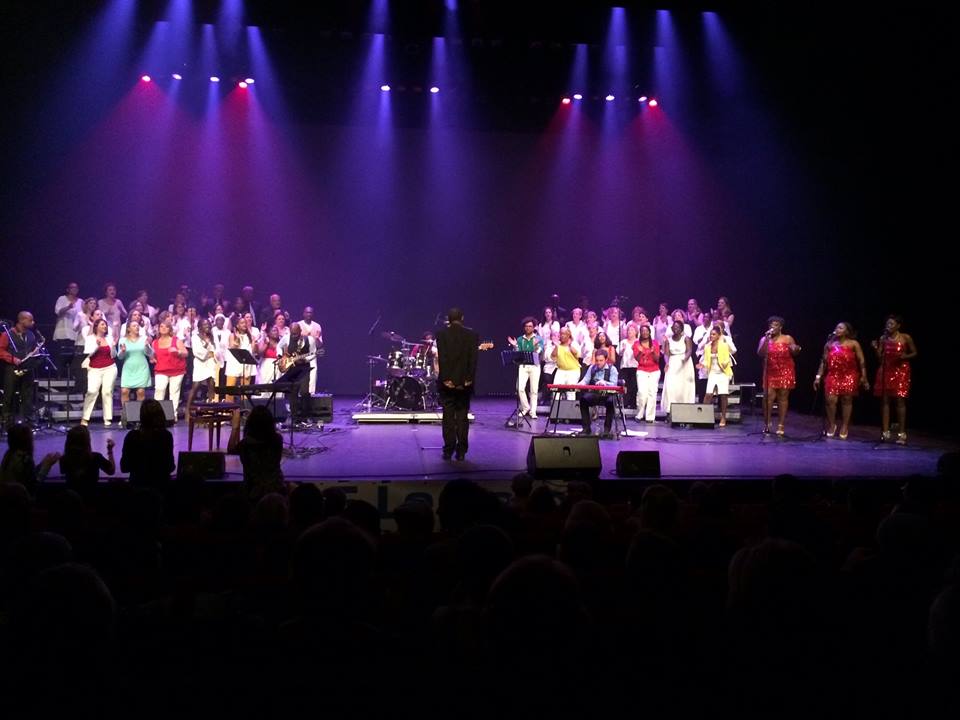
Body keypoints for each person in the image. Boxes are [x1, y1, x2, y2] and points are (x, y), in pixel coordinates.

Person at [435, 308, 479, 461]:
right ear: (462, 318)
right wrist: (468, 379)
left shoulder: (441, 334)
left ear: (448, 319)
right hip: (464, 383)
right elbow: (473, 360)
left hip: (448, 382)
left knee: (448, 417)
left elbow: (443, 358)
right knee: (462, 416)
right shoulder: (472, 335)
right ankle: (461, 451)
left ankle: (448, 450)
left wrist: (446, 378)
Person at [813, 321, 869, 440]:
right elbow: (823, 362)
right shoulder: (829, 344)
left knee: (846, 400)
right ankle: (832, 424)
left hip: (849, 375)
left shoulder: (854, 344)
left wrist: (864, 376)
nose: (837, 329)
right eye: (837, 327)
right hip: (833, 375)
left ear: (847, 331)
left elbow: (861, 360)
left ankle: (844, 426)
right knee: (830, 400)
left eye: (840, 328)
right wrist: (818, 377)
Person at [871, 314, 917, 444]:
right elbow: (880, 358)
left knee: (899, 401)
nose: (888, 326)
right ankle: (885, 432)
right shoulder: (883, 338)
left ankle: (902, 433)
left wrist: (905, 356)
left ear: (898, 326)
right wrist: (875, 349)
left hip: (901, 371)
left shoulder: (905, 337)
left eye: (891, 324)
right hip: (885, 370)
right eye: (887, 324)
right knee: (885, 401)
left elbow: (915, 352)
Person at [227, 404, 285, 501]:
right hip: (276, 489)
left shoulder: (246, 444)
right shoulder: (277, 440)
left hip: (253, 492)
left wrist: (235, 427)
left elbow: (231, 449)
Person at [758, 315, 801, 436]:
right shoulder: (764, 339)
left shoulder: (787, 338)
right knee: (767, 397)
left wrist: (796, 348)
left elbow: (795, 351)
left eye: (775, 325)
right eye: (771, 324)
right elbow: (760, 353)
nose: (772, 326)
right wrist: (766, 340)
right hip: (770, 372)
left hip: (785, 371)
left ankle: (781, 424)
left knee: (783, 398)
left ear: (780, 327)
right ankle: (767, 422)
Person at [120, 398, 175, 489]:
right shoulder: (166, 436)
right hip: (161, 487)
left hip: (137, 487)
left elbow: (124, 467)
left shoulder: (132, 436)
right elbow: (170, 467)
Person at [0, 311, 41, 428]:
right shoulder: (7, 334)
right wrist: (12, 359)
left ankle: (29, 420)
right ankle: (7, 421)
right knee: (9, 395)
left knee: (27, 395)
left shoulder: (31, 335)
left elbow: (32, 349)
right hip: (12, 368)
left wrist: (35, 353)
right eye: (30, 320)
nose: (33, 322)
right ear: (22, 320)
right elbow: (1, 350)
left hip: (27, 368)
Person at [58, 425, 115, 498]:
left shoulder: (64, 459)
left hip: (72, 500)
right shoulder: (96, 457)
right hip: (92, 498)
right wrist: (110, 450)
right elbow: (111, 471)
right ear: (87, 441)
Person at [1, 424, 59, 494]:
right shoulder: (25, 459)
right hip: (21, 500)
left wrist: (42, 463)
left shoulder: (8, 454)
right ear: (27, 441)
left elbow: (29, 475)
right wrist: (47, 466)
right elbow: (34, 486)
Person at [80, 318, 117, 427]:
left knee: (107, 392)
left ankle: (108, 418)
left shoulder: (109, 338)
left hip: (110, 367)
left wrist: (114, 346)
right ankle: (85, 417)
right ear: (96, 327)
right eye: (102, 324)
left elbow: (113, 355)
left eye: (105, 325)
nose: (104, 326)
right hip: (94, 369)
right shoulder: (90, 338)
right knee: (92, 391)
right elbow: (88, 353)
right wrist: (97, 345)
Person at [277, 323, 315, 426]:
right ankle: (294, 417)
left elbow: (314, 353)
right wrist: (281, 356)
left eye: (296, 334)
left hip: (304, 369)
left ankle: (305, 417)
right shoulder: (286, 338)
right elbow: (278, 346)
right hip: (292, 369)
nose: (294, 336)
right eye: (292, 334)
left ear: (300, 331)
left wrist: (304, 359)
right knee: (292, 393)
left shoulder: (309, 340)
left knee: (304, 392)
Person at [577, 348, 620, 438]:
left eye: (601, 360)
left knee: (610, 402)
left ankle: (607, 430)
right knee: (583, 400)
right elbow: (585, 380)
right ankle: (586, 428)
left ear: (606, 360)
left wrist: (605, 383)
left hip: (608, 395)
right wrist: (578, 384)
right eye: (597, 360)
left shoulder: (612, 369)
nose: (598, 363)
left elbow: (614, 384)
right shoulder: (592, 368)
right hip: (595, 394)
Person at [151, 320, 188, 421]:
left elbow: (185, 353)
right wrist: (152, 358)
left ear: (170, 329)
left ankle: (172, 415)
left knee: (174, 392)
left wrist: (178, 352)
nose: (163, 328)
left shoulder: (176, 340)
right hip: (161, 370)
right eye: (161, 326)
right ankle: (156, 415)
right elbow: (153, 356)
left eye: (166, 327)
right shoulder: (155, 342)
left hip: (176, 370)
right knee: (159, 389)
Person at [698, 326, 735, 427]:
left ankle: (723, 417)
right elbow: (706, 360)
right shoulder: (707, 347)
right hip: (713, 373)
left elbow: (730, 354)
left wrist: (725, 362)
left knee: (723, 395)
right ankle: (704, 416)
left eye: (714, 334)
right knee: (708, 394)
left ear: (719, 335)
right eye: (710, 334)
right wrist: (702, 365)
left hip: (723, 373)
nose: (711, 336)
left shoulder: (723, 345)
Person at [507, 317, 543, 420]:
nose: (528, 328)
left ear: (533, 327)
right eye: (526, 326)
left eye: (530, 326)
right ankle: (526, 407)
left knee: (534, 390)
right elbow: (518, 353)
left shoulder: (538, 339)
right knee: (520, 388)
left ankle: (533, 411)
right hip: (523, 365)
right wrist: (515, 346)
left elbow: (538, 351)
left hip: (535, 366)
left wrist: (536, 346)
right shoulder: (520, 339)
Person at [661, 319, 695, 416]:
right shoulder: (669, 340)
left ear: (681, 328)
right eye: (674, 327)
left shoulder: (686, 338)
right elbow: (666, 354)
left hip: (685, 363)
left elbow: (689, 350)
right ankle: (669, 411)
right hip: (673, 362)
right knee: (670, 387)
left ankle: (685, 412)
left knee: (684, 388)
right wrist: (667, 363)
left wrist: (685, 359)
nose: (676, 329)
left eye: (678, 327)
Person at [117, 319, 152, 412]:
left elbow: (149, 353)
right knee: (124, 391)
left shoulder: (144, 338)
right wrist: (123, 351)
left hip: (141, 368)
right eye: (134, 326)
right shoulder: (123, 340)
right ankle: (126, 415)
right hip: (128, 369)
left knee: (140, 392)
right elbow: (120, 357)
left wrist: (147, 346)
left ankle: (139, 416)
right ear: (128, 329)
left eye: (138, 326)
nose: (137, 327)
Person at [188, 317, 221, 407]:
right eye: (204, 324)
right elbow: (196, 352)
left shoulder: (212, 336)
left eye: (208, 324)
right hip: (200, 364)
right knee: (196, 386)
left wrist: (214, 354)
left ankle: (210, 406)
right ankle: (188, 408)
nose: (207, 326)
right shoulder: (195, 337)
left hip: (210, 363)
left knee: (211, 384)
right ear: (200, 327)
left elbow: (216, 349)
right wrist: (206, 346)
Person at [634, 324, 661, 423]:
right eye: (643, 331)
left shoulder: (655, 343)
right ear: (640, 333)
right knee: (642, 392)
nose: (645, 332)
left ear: (649, 332)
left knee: (652, 393)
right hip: (642, 370)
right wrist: (641, 352)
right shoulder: (637, 344)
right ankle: (640, 414)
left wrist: (653, 352)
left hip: (654, 370)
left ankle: (650, 417)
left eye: (646, 331)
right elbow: (637, 359)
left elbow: (657, 360)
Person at [53, 282, 83, 370]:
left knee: (74, 355)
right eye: (72, 288)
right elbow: (58, 312)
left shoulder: (80, 301)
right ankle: (59, 374)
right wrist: (68, 307)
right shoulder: (62, 299)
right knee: (62, 354)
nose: (75, 289)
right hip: (63, 331)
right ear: (68, 289)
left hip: (75, 332)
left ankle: (72, 373)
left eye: (76, 288)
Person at [550, 327, 582, 399]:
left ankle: (570, 410)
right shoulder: (558, 345)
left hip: (573, 371)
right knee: (555, 391)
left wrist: (569, 346)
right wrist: (557, 346)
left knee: (570, 393)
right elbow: (553, 357)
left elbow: (577, 355)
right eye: (561, 333)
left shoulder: (574, 344)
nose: (562, 335)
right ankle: (556, 409)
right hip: (561, 370)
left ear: (568, 335)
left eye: (564, 334)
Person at [298, 306, 324, 394]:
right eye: (307, 312)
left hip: (312, 354)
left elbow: (320, 345)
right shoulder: (298, 325)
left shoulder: (317, 326)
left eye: (310, 313)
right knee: (300, 375)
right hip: (300, 355)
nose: (309, 314)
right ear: (303, 313)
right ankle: (299, 396)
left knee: (312, 375)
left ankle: (311, 395)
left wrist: (316, 338)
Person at [618, 324, 640, 409]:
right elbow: (619, 354)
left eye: (632, 330)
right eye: (628, 330)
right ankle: (625, 403)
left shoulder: (638, 341)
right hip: (625, 367)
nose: (630, 332)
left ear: (636, 332)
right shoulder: (623, 342)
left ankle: (633, 403)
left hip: (635, 366)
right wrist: (622, 350)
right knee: (625, 385)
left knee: (634, 385)